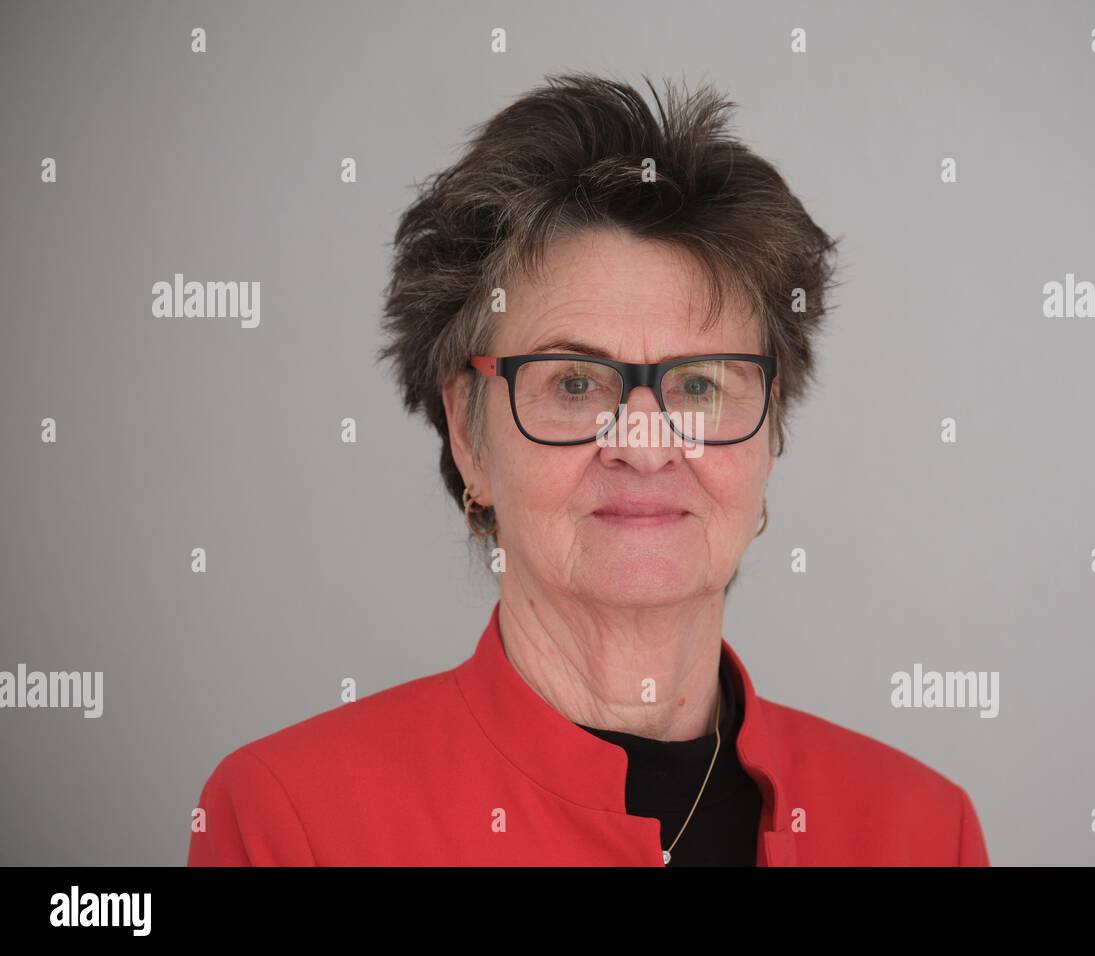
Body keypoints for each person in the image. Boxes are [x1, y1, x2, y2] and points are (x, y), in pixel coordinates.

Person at [187, 71, 989, 866]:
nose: (644, 445)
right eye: (574, 383)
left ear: (770, 434)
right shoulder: (291, 821)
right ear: (470, 437)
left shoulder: (921, 829)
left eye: (701, 383)